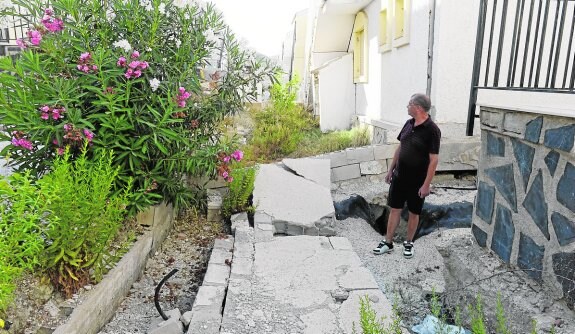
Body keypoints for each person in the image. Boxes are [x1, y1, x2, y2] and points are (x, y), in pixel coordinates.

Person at [373, 93, 441, 259]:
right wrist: (391, 170)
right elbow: (400, 147)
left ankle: (409, 243)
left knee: (413, 212)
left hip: (417, 181)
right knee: (394, 209)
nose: (407, 107)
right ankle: (388, 242)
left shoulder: (432, 130)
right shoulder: (408, 124)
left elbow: (434, 160)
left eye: (409, 104)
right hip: (399, 178)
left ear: (417, 107)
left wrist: (426, 185)